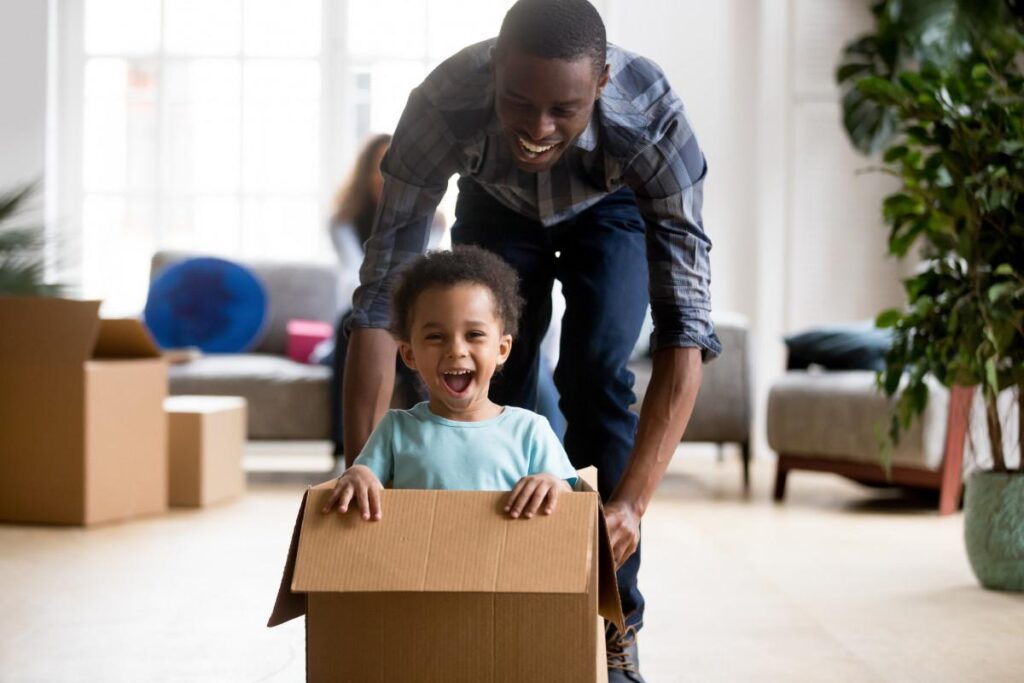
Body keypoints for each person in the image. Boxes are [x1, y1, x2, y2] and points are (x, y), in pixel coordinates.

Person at [343, 1, 721, 679]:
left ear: (601, 85)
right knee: (493, 387)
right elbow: (380, 299)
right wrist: (359, 471)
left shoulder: (654, 124)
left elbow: (685, 327)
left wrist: (631, 504)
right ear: (494, 71)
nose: (537, 129)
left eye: (563, 109)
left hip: (612, 210)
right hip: (497, 204)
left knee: (597, 371)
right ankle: (499, 599)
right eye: (518, 101)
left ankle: (615, 621)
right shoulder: (442, 105)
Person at [322, 245, 577, 520]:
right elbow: (364, 477)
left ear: (502, 349)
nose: (456, 350)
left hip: (502, 562)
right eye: (435, 336)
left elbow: (569, 497)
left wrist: (553, 483)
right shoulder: (395, 430)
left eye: (474, 334)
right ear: (409, 354)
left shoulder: (530, 431)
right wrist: (358, 475)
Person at [321, 134, 442, 457]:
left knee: (421, 338)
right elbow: (351, 274)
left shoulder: (434, 220)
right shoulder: (343, 221)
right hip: (364, 307)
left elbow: (428, 269)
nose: (386, 178)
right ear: (366, 173)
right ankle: (346, 448)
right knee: (351, 327)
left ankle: (426, 444)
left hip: (415, 308)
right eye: (379, 168)